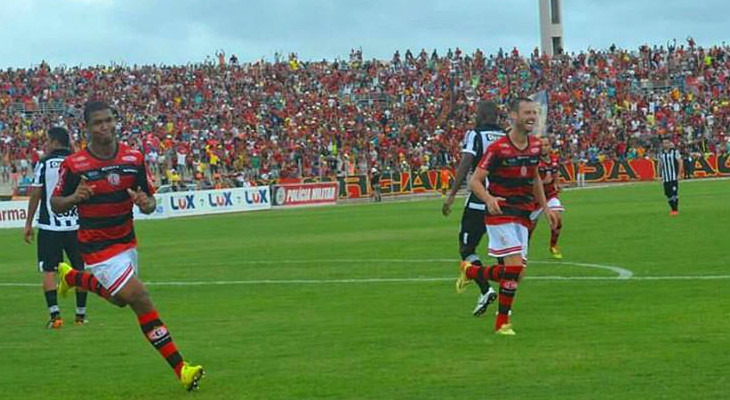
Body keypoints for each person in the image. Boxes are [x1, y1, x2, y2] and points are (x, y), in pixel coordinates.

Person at [51, 101, 204, 390]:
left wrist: (147, 204)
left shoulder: (134, 158)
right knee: (140, 297)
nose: (105, 126)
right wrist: (75, 198)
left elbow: (149, 200)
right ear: (87, 127)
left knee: (121, 299)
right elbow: (55, 203)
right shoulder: (74, 164)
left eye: (109, 120)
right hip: (97, 248)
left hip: (126, 243)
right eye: (98, 122)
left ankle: (71, 276)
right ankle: (182, 368)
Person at [456, 97, 559, 336]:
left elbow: (534, 179)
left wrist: (545, 208)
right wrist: (490, 199)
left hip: (522, 214)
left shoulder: (534, 146)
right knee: (513, 267)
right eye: (527, 113)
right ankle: (502, 323)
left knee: (518, 273)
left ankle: (471, 271)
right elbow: (475, 181)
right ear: (513, 116)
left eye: (534, 113)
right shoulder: (498, 148)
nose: (532, 117)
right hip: (500, 213)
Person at [442, 101, 504, 316]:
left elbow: (466, 163)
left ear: (482, 115)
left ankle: (485, 289)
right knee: (503, 254)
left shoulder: (475, 134)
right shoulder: (507, 137)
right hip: (503, 202)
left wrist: (451, 195)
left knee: (467, 249)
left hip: (479, 202)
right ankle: (505, 310)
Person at [24, 127, 88, 329]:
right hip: (76, 224)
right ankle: (80, 316)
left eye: (48, 141)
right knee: (80, 268)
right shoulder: (78, 161)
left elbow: (36, 193)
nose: (46, 144)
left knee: (49, 271)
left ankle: (55, 317)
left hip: (50, 225)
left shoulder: (44, 163)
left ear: (53, 142)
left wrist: (28, 223)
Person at [528, 137, 565, 259]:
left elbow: (555, 172)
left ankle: (553, 245)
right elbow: (530, 182)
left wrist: (557, 183)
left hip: (550, 195)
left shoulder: (554, 159)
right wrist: (543, 182)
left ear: (550, 146)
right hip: (535, 198)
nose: (544, 147)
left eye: (546, 145)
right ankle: (523, 249)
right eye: (541, 145)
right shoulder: (533, 161)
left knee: (557, 219)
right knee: (529, 229)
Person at [657, 138, 683, 216]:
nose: (665, 144)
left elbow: (680, 162)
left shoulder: (675, 152)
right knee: (668, 194)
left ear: (669, 144)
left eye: (667, 143)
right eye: (664, 143)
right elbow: (659, 165)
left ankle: (675, 210)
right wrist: (659, 175)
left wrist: (679, 174)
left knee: (674, 193)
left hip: (673, 176)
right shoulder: (661, 154)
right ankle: (673, 209)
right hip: (666, 177)